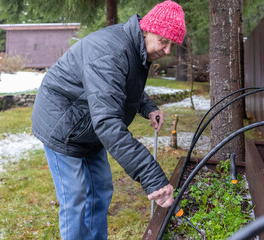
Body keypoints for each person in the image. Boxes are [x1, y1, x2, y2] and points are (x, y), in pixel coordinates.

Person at [31, 1, 186, 239]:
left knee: (101, 190)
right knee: (75, 198)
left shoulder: (134, 48)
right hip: (62, 125)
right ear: (146, 30)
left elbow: (118, 86)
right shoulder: (110, 52)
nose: (167, 51)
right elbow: (108, 123)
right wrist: (153, 177)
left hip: (89, 123)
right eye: (164, 42)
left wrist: (147, 107)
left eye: (172, 45)